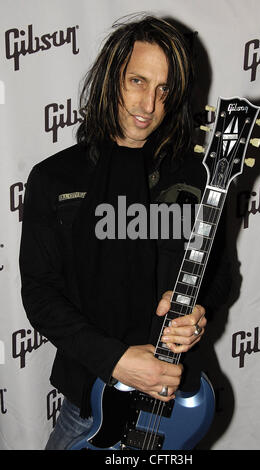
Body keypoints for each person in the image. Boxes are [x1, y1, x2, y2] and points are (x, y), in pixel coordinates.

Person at [19, 15, 224, 450]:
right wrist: (115, 360)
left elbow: (222, 271)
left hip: (172, 407)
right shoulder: (53, 178)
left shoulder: (193, 177)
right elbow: (40, 293)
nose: (148, 104)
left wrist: (198, 311)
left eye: (164, 89)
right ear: (111, 78)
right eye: (137, 81)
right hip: (88, 409)